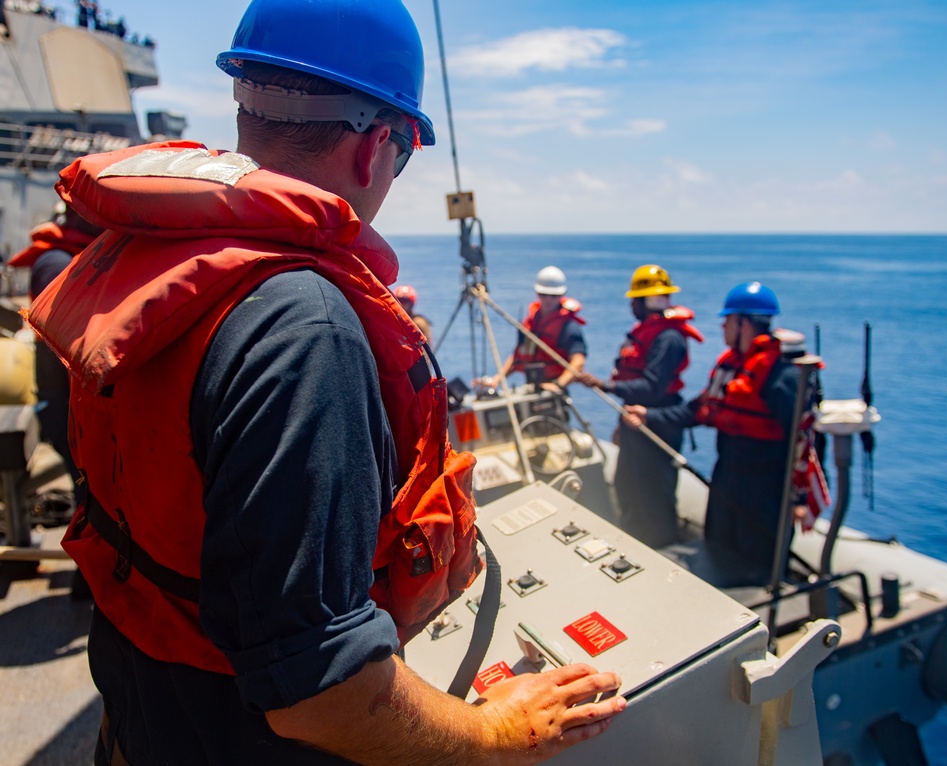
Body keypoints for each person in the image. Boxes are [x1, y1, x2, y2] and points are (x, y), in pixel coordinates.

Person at [26, 2, 625, 764]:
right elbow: (322, 694)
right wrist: (494, 734)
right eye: (403, 156)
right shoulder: (306, 329)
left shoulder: (157, 258)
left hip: (148, 715)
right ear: (378, 148)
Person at [623, 281, 807, 585]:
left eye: (727, 321)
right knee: (719, 546)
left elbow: (803, 435)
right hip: (727, 477)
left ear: (742, 323)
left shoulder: (781, 375)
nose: (722, 327)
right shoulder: (733, 367)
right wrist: (649, 416)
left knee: (758, 555)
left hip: (764, 486)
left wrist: (798, 498)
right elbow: (698, 410)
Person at [578, 265, 703, 549]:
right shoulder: (647, 332)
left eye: (636, 299)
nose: (631, 305)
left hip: (656, 422)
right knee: (628, 486)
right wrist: (622, 423)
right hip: (634, 420)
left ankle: (660, 546)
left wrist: (605, 385)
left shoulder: (668, 339)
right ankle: (632, 542)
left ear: (649, 301)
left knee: (653, 491)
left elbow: (652, 387)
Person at [8, 203, 102, 511]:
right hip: (66, 405)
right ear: (74, 215)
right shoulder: (56, 261)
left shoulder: (80, 255)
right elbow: (70, 341)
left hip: (75, 401)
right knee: (91, 498)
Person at [483, 265, 587, 393]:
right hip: (532, 387)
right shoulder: (531, 322)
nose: (549, 299)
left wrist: (558, 385)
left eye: (554, 295)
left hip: (553, 390)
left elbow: (578, 362)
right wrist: (497, 379)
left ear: (562, 295)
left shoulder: (569, 326)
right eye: (544, 294)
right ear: (537, 293)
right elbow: (517, 356)